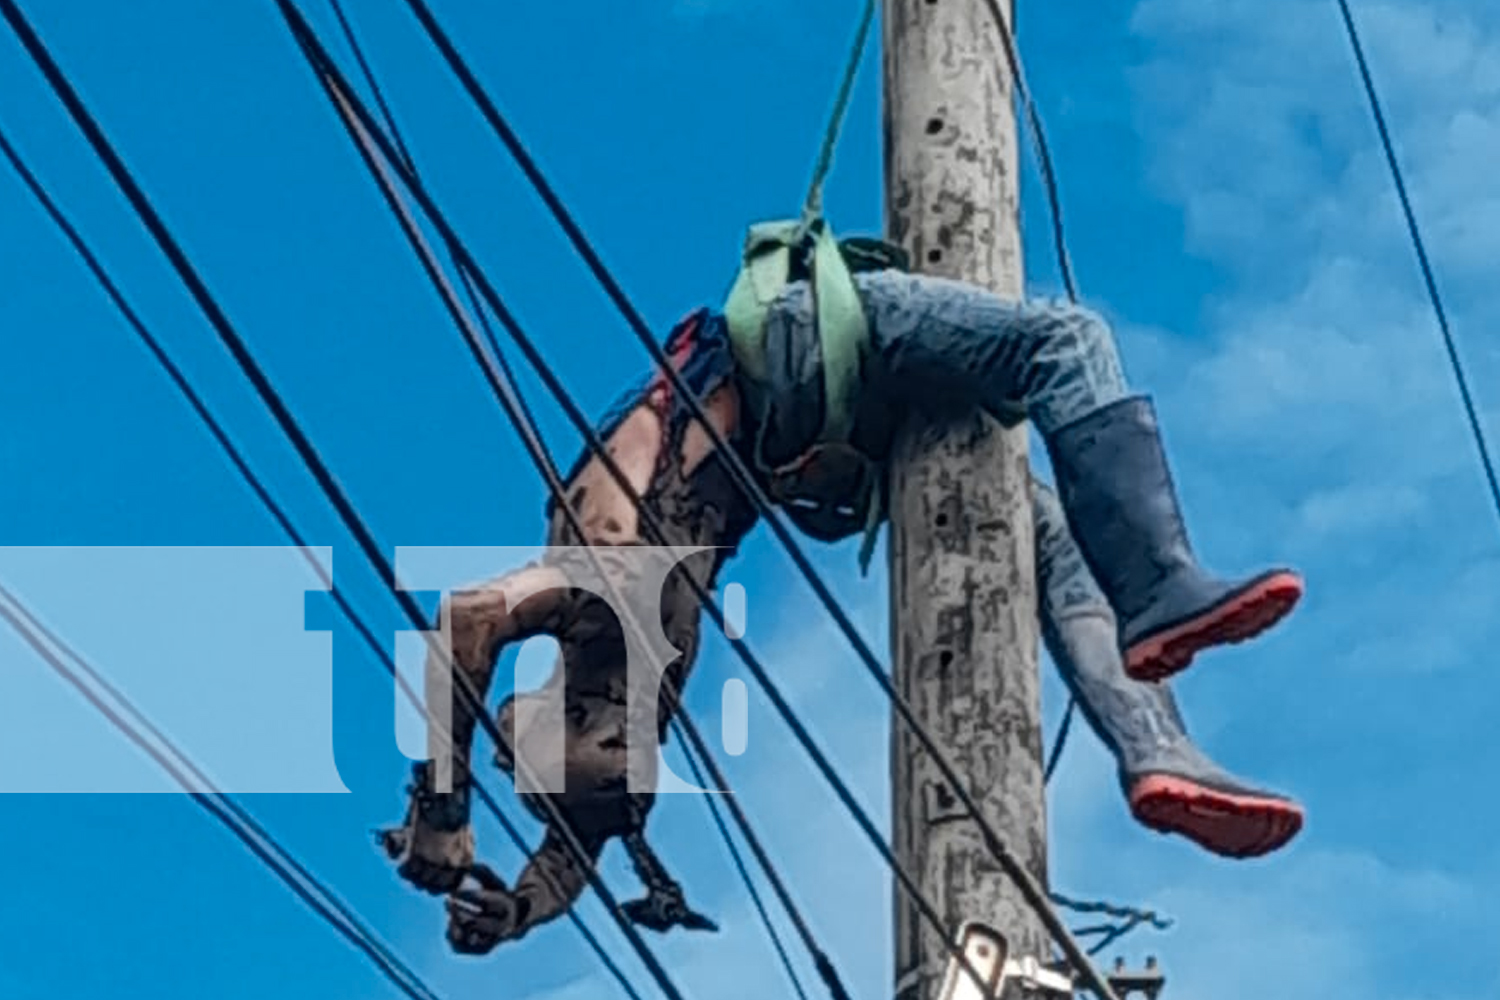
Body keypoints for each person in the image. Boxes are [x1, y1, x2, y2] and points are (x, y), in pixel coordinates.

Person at [381, 266, 1305, 954]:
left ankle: (1158, 589)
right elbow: (578, 845)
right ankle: (1154, 751)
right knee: (1041, 528)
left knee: (1063, 340)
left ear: (558, 722)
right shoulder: (635, 708)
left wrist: (442, 803)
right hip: (824, 436)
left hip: (796, 352)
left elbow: (464, 620)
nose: (639, 769)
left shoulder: (588, 596)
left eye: (609, 763)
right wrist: (519, 914)